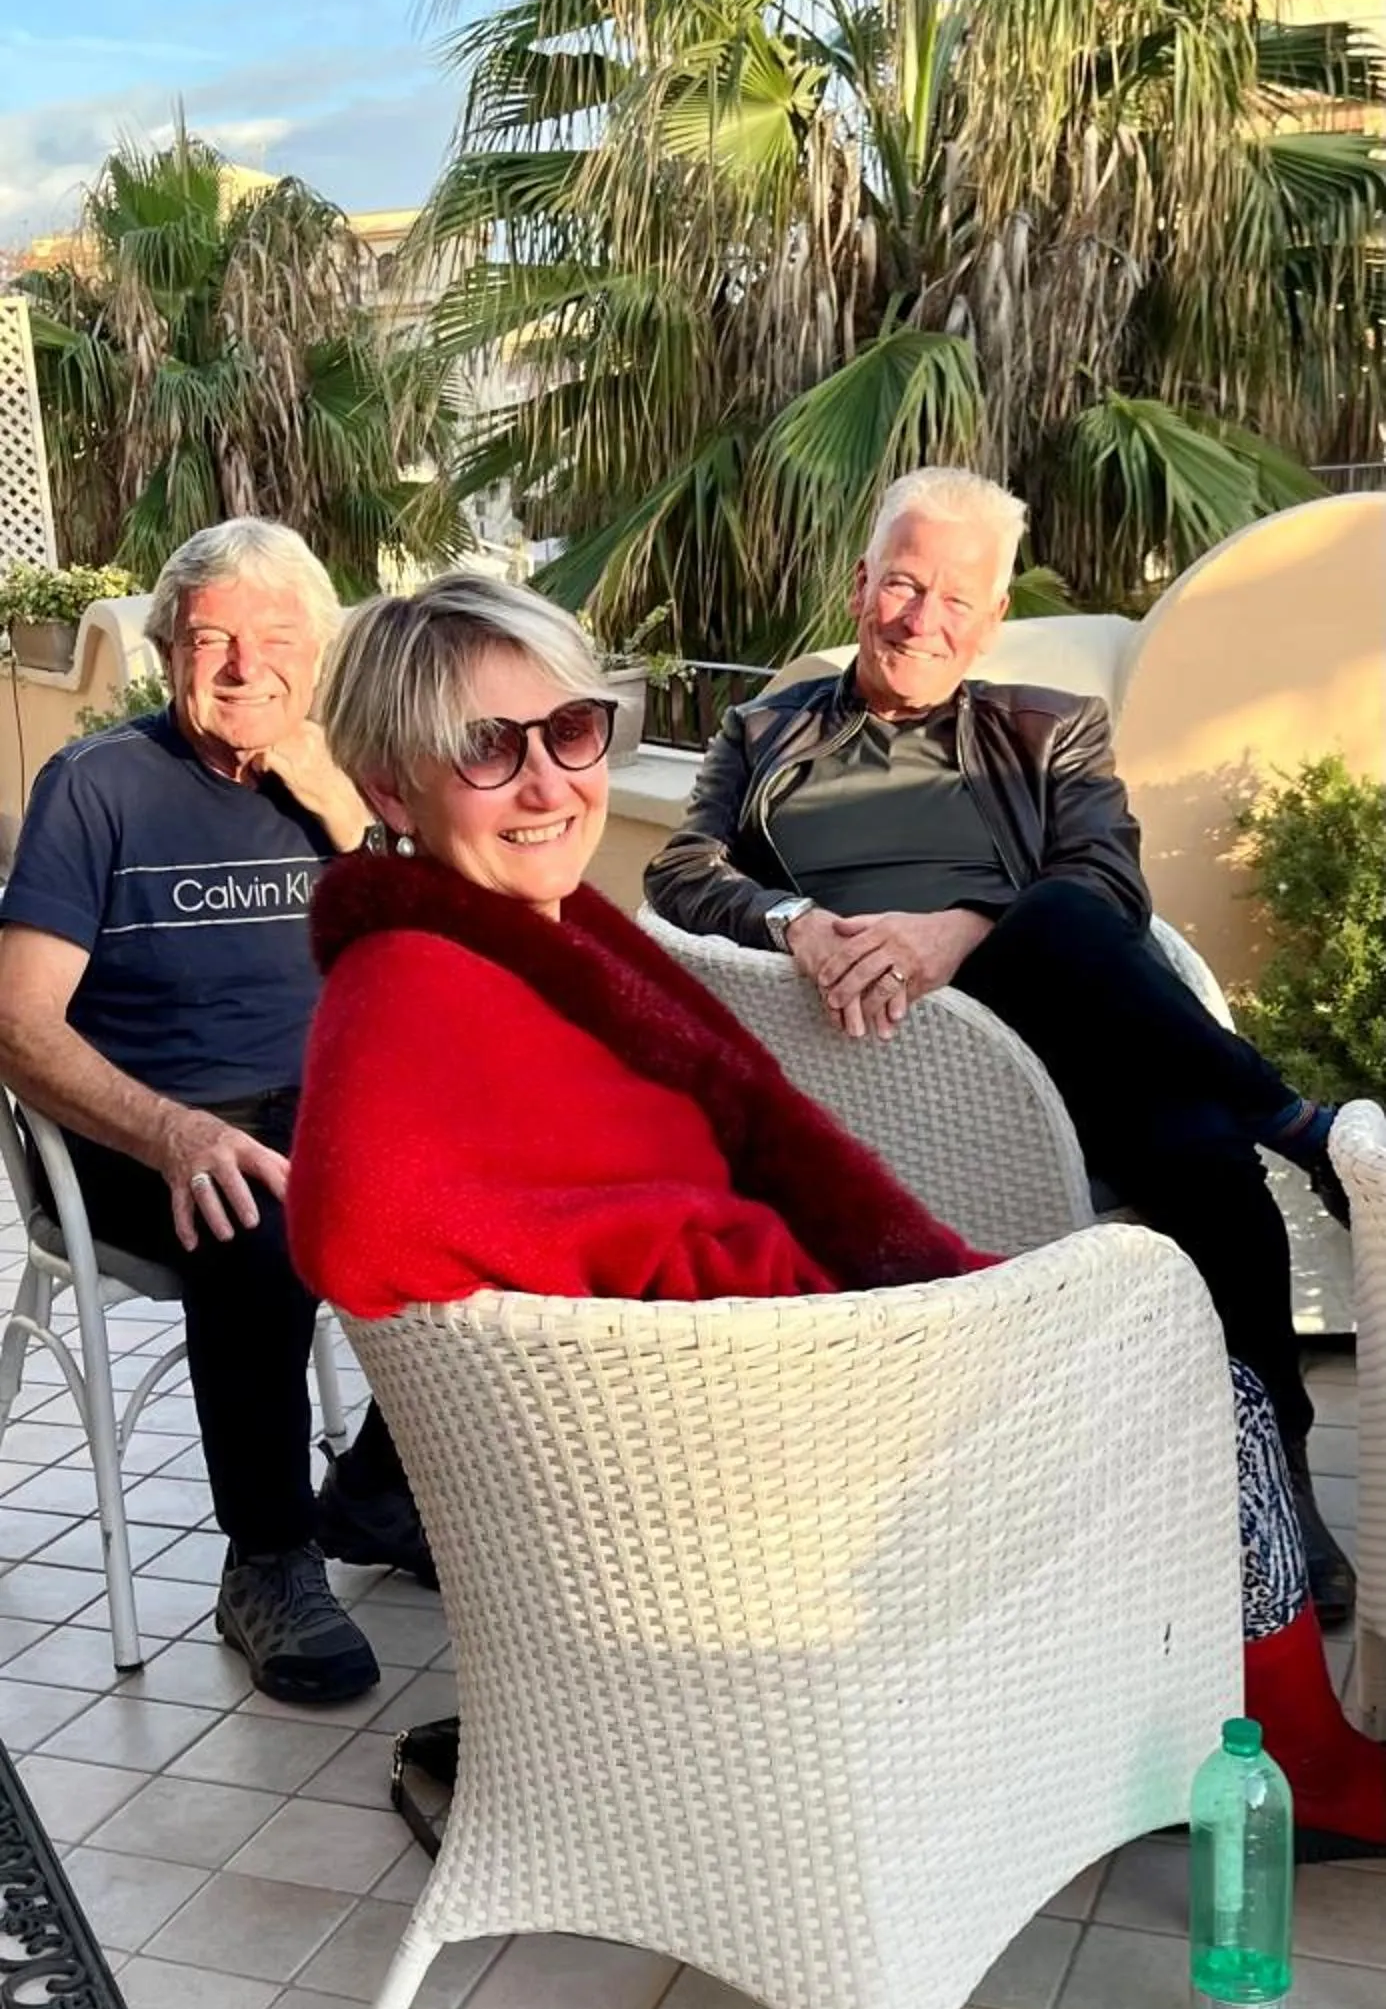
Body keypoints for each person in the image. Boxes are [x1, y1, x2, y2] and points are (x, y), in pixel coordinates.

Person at [286, 571, 1385, 1860]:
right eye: (488, 748)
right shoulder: (417, 986)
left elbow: (1096, 883)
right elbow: (355, 1223)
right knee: (1195, 1372)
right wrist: (758, 1279)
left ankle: (1189, 1717)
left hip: (811, 1336)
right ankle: (1287, 1756)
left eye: (571, 732)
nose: (550, 785)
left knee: (1166, 1191)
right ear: (389, 787)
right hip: (772, 1453)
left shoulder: (531, 931)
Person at [645, 466, 1354, 1629]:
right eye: (903, 584)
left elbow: (1109, 883)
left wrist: (961, 930)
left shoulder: (1047, 726)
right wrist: (795, 920)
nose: (922, 619)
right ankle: (1297, 1124)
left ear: (992, 619)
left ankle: (1275, 1475)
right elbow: (681, 874)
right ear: (861, 584)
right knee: (1202, 1126)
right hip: (870, 1063)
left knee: (1188, 1137)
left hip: (1061, 1043)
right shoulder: (765, 731)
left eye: (956, 599)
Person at [0, 519, 430, 1708]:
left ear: (320, 654)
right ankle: (267, 1558)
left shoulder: (349, 782)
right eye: (212, 639)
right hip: (150, 1132)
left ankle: (378, 1491)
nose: (246, 667)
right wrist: (175, 1133)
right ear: (166, 653)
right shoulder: (97, 787)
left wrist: (341, 813)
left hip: (328, 1116)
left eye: (277, 639)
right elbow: (19, 1023)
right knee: (259, 1211)